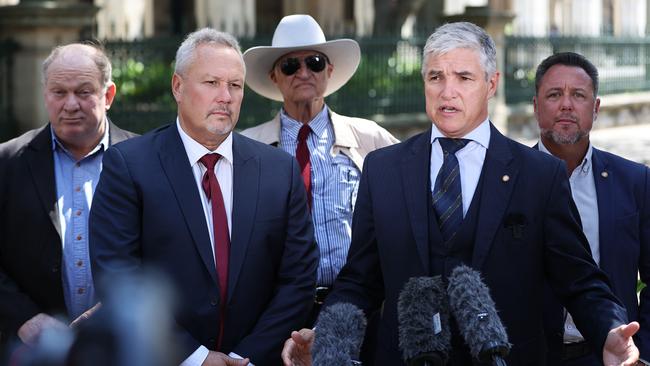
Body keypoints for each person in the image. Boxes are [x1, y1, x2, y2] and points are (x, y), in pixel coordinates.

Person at [281, 22, 640, 366]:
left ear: (491, 83)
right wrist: (326, 332)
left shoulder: (538, 175)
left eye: (464, 78)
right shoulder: (383, 169)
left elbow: (578, 279)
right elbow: (360, 280)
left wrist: (607, 330)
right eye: (436, 77)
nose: (446, 91)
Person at [89, 28, 319, 366]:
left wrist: (247, 356)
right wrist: (194, 357)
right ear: (178, 87)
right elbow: (118, 274)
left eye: (235, 85)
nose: (225, 96)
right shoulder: (129, 165)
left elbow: (298, 277)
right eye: (211, 83)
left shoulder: (278, 170)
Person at [241, 14, 398, 318]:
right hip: (278, 309)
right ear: (274, 76)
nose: (303, 72)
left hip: (360, 306)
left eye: (313, 62)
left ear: (329, 70)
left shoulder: (371, 139)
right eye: (289, 65)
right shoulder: (248, 147)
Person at [0, 43, 135, 350]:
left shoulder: (146, 161)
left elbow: (169, 253)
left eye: (84, 92)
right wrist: (24, 317)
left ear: (108, 95)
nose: (70, 104)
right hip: (31, 351)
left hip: (126, 347)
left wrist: (112, 309)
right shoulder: (7, 163)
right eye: (59, 92)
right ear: (45, 93)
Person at [532, 52, 650, 365]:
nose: (566, 105)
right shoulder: (508, 180)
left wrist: (643, 351)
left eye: (579, 95)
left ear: (595, 109)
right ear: (535, 106)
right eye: (554, 94)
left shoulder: (636, 181)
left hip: (612, 358)